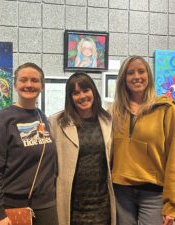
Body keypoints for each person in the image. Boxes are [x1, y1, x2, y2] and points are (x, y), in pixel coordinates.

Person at [0, 62, 58, 225]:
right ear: (15, 84)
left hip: (46, 206)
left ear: (42, 86)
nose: (29, 85)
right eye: (23, 80)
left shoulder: (41, 116)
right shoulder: (2, 120)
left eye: (34, 80)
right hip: (13, 207)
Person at [111, 55, 175, 225]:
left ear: (149, 75)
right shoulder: (114, 112)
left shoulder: (166, 110)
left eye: (141, 71)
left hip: (153, 193)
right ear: (123, 79)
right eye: (130, 72)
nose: (136, 76)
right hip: (120, 192)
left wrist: (171, 205)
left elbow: (173, 160)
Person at [49, 72, 116, 225]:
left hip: (102, 203)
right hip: (72, 203)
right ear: (70, 97)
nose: (82, 96)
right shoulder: (56, 123)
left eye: (86, 90)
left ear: (93, 91)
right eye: (76, 93)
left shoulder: (108, 120)